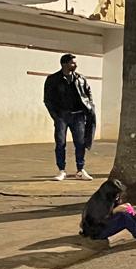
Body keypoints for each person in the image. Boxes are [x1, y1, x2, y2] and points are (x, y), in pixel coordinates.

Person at [43, 52, 97, 181]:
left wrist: (89, 107)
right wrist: (56, 116)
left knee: (80, 143)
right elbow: (48, 100)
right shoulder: (53, 79)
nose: (75, 65)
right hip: (62, 116)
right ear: (64, 64)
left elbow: (88, 94)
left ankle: (80, 170)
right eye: (72, 63)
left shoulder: (81, 78)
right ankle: (61, 170)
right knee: (60, 143)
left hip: (78, 115)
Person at [80, 177, 136, 244]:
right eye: (116, 195)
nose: (118, 197)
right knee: (123, 216)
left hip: (104, 226)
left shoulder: (110, 200)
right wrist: (115, 211)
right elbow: (98, 220)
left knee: (126, 213)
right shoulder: (98, 202)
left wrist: (126, 208)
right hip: (97, 231)